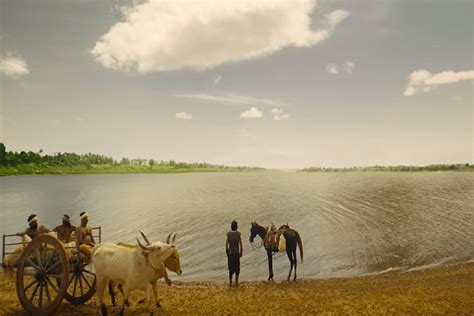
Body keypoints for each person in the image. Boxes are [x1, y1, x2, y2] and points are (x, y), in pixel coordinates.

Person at [225, 220, 243, 287]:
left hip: (231, 253)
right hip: (236, 253)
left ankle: (230, 281)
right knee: (237, 267)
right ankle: (236, 281)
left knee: (230, 267)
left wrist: (227, 251)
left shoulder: (229, 234)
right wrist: (241, 252)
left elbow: (226, 244)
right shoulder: (238, 234)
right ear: (236, 227)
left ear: (231, 227)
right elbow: (240, 244)